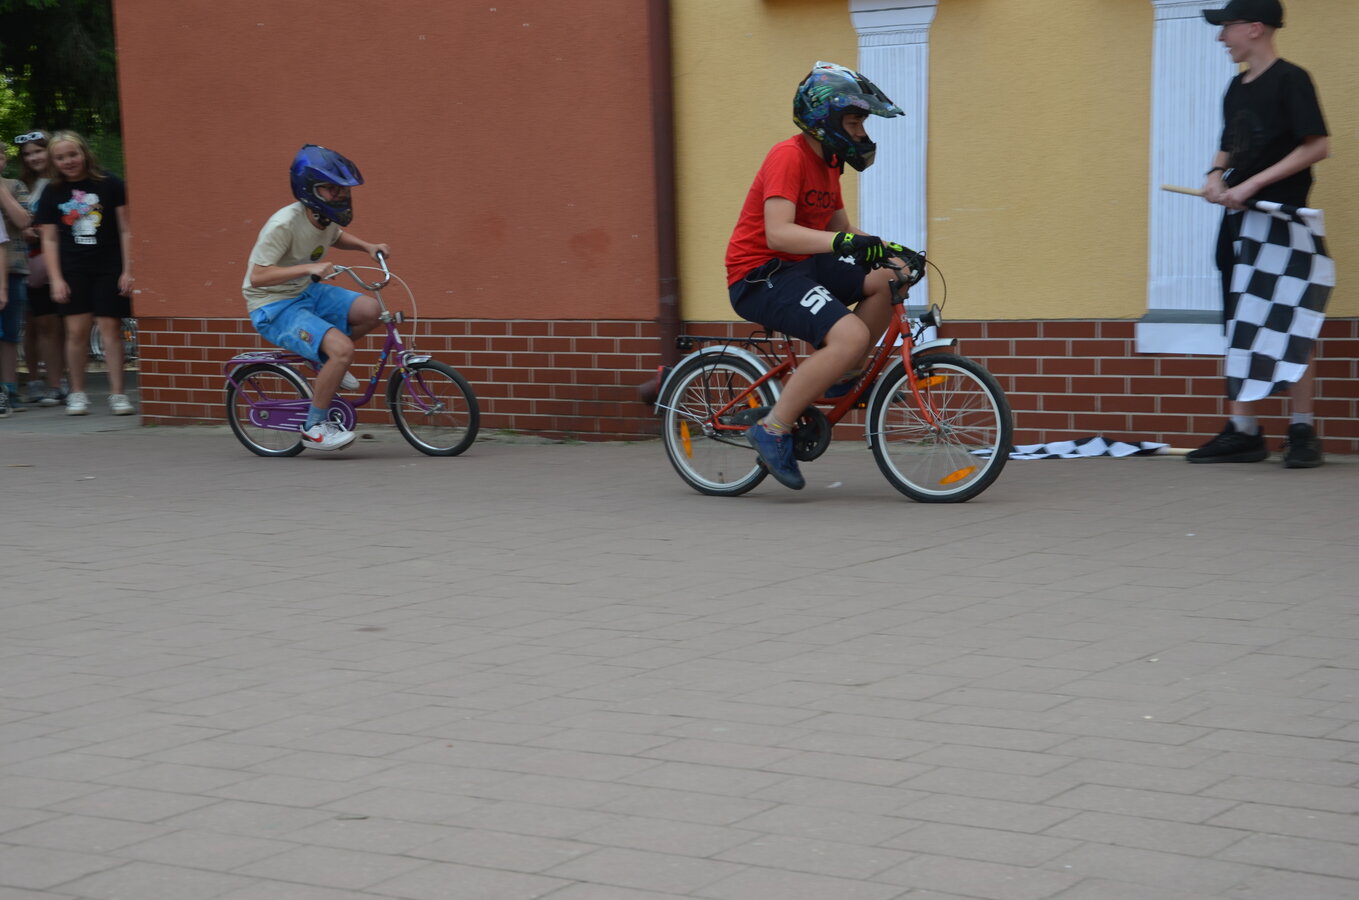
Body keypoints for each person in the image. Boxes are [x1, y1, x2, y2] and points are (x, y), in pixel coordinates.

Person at [724, 61, 914, 490]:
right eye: (854, 123)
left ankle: (842, 375)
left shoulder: (829, 163)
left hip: (800, 264)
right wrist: (844, 243)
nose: (861, 133)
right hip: (760, 272)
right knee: (849, 336)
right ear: (824, 120)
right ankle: (772, 429)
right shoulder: (788, 157)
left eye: (862, 124)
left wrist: (892, 251)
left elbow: (840, 230)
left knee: (889, 277)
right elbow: (778, 233)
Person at [1189, 0, 1329, 467]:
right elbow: (1230, 142)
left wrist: (1250, 185)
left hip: (1283, 223)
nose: (1220, 37)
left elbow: (1318, 145)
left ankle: (1302, 429)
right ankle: (1244, 431)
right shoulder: (1236, 86)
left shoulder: (1292, 80)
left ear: (1254, 28)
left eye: (1225, 28)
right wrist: (1215, 175)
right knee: (1240, 320)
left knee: (1292, 322)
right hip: (1238, 226)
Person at [242, 144, 388, 451]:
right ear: (310, 189)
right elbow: (258, 276)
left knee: (371, 311)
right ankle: (314, 427)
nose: (340, 195)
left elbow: (336, 236)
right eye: (332, 189)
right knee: (342, 350)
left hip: (305, 290)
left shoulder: (322, 216)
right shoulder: (283, 224)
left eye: (342, 189)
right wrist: (308, 268)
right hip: (272, 305)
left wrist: (367, 246)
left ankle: (325, 360)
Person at [34, 130, 135, 416]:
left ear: (84, 154)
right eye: (60, 157)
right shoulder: (52, 192)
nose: (68, 161)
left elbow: (126, 229)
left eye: (73, 154)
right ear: (53, 161)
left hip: (109, 267)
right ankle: (77, 394)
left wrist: (128, 270)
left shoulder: (110, 183)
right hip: (73, 269)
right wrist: (56, 279)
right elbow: (49, 239)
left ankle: (118, 395)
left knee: (110, 330)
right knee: (76, 332)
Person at [14, 131, 65, 408]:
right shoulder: (22, 185)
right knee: (35, 324)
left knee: (62, 326)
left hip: (62, 260)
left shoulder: (64, 182)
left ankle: (62, 381)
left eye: (38, 151)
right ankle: (35, 380)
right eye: (27, 154)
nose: (33, 157)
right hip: (31, 263)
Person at [1, 143, 35, 416]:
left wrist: (1, 190)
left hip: (12, 268)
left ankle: (10, 388)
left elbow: (24, 221)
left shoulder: (15, 186)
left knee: (10, 333)